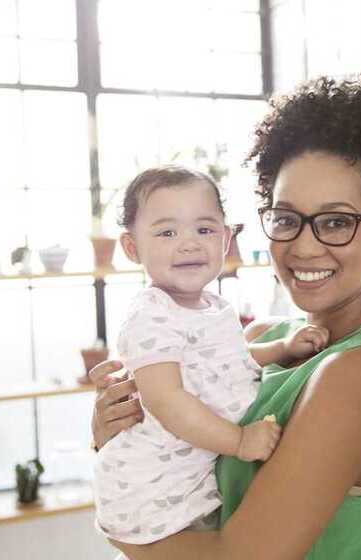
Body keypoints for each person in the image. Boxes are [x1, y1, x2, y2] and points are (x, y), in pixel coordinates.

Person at [91, 74, 361, 559]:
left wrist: (120, 532)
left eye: (336, 222)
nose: (304, 245)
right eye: (287, 218)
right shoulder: (266, 339)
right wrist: (116, 433)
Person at [94, 165, 331, 545]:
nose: (189, 243)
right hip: (152, 492)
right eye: (167, 232)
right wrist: (239, 442)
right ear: (132, 248)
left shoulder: (212, 306)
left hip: (188, 483)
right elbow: (167, 400)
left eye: (204, 230)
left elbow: (225, 366)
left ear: (225, 239)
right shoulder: (151, 315)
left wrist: (280, 349)